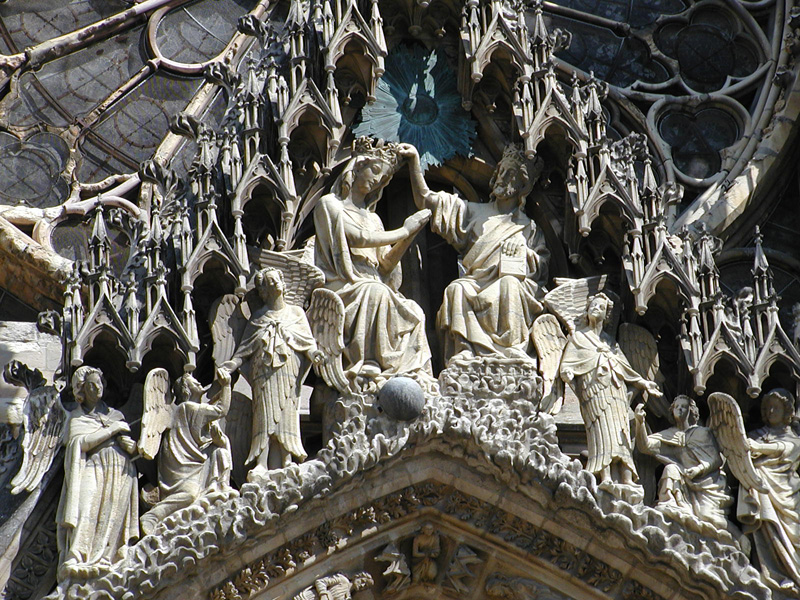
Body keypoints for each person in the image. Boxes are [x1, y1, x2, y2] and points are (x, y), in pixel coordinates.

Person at [401, 142, 549, 363]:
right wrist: (414, 162)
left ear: (522, 187)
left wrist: (525, 253)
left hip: (508, 284)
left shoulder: (529, 227)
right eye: (501, 172)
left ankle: (513, 350)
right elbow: (426, 200)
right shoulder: (473, 212)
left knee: (510, 285)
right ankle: (465, 353)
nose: (502, 178)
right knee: (457, 289)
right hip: (475, 282)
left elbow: (542, 266)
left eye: (511, 175)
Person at [313, 137, 434, 389]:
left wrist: (411, 235)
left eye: (384, 176)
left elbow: (386, 265)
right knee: (376, 291)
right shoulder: (330, 205)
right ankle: (368, 362)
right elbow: (358, 237)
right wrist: (404, 230)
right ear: (356, 167)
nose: (378, 180)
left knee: (414, 311)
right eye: (376, 170)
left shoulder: (374, 219)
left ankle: (412, 375)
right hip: (346, 283)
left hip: (371, 281)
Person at [224, 268, 319, 475]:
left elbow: (307, 342)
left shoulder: (296, 313)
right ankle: (262, 462)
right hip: (263, 372)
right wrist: (229, 366)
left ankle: (286, 460)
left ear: (284, 284)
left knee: (287, 411)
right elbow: (244, 350)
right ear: (263, 291)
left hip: (289, 369)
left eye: (277, 280)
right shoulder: (258, 317)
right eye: (269, 282)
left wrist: (314, 354)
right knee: (264, 413)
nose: (275, 284)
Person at [560, 293, 661, 488]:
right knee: (602, 433)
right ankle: (605, 477)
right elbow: (568, 363)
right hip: (595, 392)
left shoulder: (610, 342)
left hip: (616, 393)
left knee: (620, 432)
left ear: (606, 316)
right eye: (593, 306)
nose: (595, 309)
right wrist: (567, 372)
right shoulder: (579, 337)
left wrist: (644, 383)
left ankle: (626, 478)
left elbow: (625, 368)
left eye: (600, 307)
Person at [56, 366, 138, 580]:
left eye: (100, 383)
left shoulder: (115, 415)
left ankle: (108, 558)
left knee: (112, 513)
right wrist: (112, 430)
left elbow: (127, 442)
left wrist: (130, 446)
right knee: (86, 507)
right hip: (94, 465)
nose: (97, 387)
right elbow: (80, 442)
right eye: (92, 384)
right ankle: (77, 556)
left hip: (120, 467)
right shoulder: (76, 418)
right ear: (81, 390)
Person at [140, 368, 233, 536]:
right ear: (186, 390)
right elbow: (221, 410)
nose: (197, 381)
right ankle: (153, 517)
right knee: (189, 495)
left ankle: (219, 487)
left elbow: (206, 437)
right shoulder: (188, 408)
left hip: (193, 462)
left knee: (220, 451)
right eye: (192, 382)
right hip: (180, 463)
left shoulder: (194, 410)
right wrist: (226, 385)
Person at [634, 395, 731, 527]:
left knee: (708, 518)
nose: (679, 409)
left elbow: (716, 459)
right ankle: (672, 502)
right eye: (676, 407)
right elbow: (644, 446)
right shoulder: (669, 435)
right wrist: (640, 422)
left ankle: (737, 537)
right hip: (683, 477)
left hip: (707, 482)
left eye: (683, 407)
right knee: (670, 469)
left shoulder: (703, 433)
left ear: (690, 411)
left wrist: (698, 469)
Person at [739, 388, 800, 591]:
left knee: (793, 536)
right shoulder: (756, 435)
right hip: (763, 490)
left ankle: (794, 573)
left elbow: (785, 449)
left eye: (777, 407)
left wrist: (756, 448)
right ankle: (772, 572)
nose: (772, 410)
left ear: (787, 411)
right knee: (766, 529)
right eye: (769, 407)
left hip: (787, 493)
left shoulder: (795, 438)